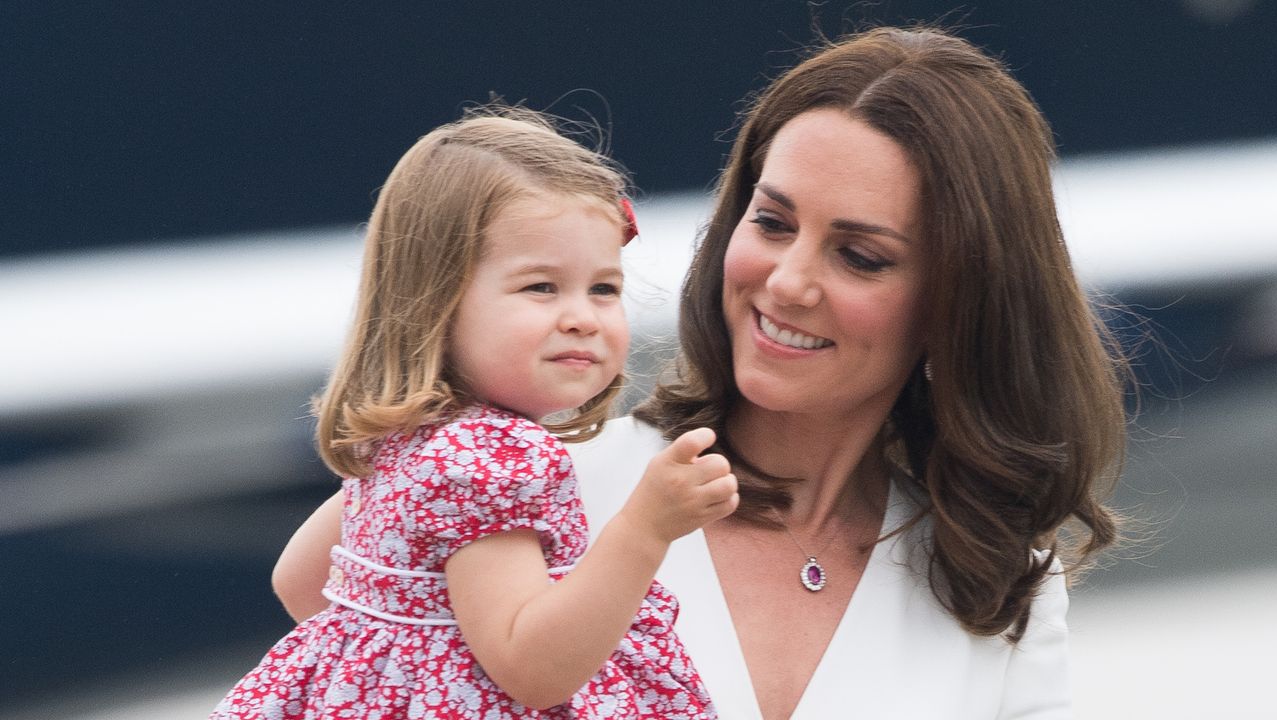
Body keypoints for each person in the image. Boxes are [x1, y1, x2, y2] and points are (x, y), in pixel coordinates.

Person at [274, 27, 1127, 719]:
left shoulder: (1002, 580)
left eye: (861, 256)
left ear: (956, 305)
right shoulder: (525, 473)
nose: (788, 281)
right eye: (772, 221)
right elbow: (337, 623)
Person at [212, 108, 740, 719]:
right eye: (540, 287)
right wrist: (645, 528)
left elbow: (305, 583)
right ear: (435, 302)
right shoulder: (498, 461)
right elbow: (536, 674)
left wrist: (409, 671)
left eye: (603, 288)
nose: (582, 317)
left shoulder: (408, 438)